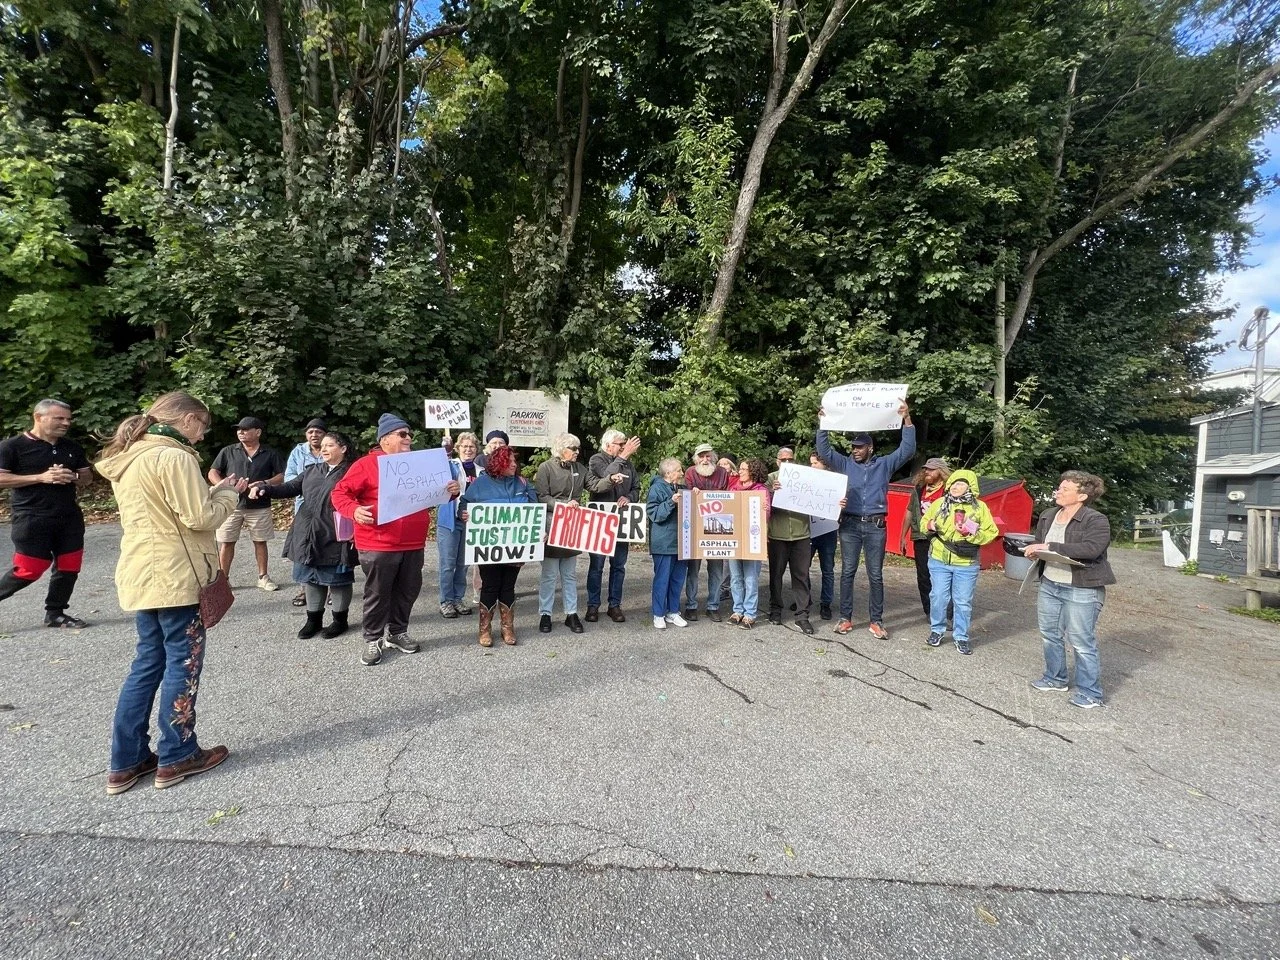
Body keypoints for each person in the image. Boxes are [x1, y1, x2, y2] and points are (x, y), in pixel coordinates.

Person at [96, 391, 246, 794]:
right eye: (202, 426)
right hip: (177, 576)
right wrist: (229, 493)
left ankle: (126, 761)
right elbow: (200, 518)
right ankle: (178, 754)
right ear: (188, 419)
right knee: (184, 662)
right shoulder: (174, 456)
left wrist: (214, 491)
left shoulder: (130, 456)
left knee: (146, 665)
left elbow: (169, 512)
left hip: (143, 574)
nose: (202, 436)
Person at [331, 413, 459, 667]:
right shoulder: (367, 464)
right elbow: (339, 493)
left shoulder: (418, 463)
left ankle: (397, 632)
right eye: (402, 434)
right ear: (385, 439)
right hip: (378, 542)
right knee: (378, 592)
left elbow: (434, 493)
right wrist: (353, 510)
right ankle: (373, 638)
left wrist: (451, 492)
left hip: (413, 542)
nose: (408, 437)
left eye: (409, 433)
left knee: (408, 590)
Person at [816, 401, 916, 639]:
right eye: (853, 447)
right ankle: (845, 618)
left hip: (875, 525)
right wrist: (822, 424)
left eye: (860, 447)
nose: (855, 451)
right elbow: (824, 451)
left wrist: (907, 419)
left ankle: (876, 621)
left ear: (870, 448)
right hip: (849, 524)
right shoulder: (844, 464)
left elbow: (907, 450)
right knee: (847, 572)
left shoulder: (884, 464)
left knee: (875, 575)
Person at [249, 432, 356, 639]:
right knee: (311, 577)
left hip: (336, 531)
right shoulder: (312, 470)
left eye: (330, 445)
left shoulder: (352, 471)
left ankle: (339, 621)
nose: (324, 449)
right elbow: (289, 487)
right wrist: (264, 488)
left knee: (338, 580)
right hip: (307, 530)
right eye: (322, 446)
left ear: (343, 449)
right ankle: (313, 620)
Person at [1025, 471, 1116, 709]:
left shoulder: (1096, 520)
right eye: (1060, 487)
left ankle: (1090, 693)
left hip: (1082, 588)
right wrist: (1034, 550)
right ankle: (1055, 678)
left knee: (1081, 641)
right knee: (1050, 634)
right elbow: (1040, 543)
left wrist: (1050, 546)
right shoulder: (1048, 515)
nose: (1059, 491)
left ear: (1082, 496)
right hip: (1050, 583)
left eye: (1065, 489)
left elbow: (1091, 549)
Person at [0, 399, 93, 628]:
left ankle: (55, 614)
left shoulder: (71, 447)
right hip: (32, 517)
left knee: (69, 566)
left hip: (69, 517)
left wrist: (74, 477)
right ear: (38, 417)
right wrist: (40, 477)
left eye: (68, 419)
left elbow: (87, 478)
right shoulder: (11, 446)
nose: (66, 423)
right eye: (59, 418)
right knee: (28, 569)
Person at [459, 445, 539, 646]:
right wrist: (464, 514)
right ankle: (484, 630)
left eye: (514, 461)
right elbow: (464, 503)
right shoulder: (480, 483)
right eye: (509, 461)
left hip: (515, 545)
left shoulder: (522, 483)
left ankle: (507, 627)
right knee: (490, 586)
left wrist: (539, 530)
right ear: (498, 463)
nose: (514, 464)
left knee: (508, 586)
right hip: (489, 546)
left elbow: (535, 510)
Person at [920, 469, 999, 655]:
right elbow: (923, 523)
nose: (956, 487)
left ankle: (961, 637)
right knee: (938, 597)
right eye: (953, 483)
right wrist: (929, 526)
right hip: (939, 559)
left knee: (962, 602)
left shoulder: (979, 507)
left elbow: (992, 532)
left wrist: (971, 533)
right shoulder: (940, 503)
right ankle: (937, 630)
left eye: (961, 484)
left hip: (966, 563)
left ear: (970, 487)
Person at [208, 417, 285, 590]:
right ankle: (223, 580)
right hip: (230, 505)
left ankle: (263, 577)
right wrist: (223, 485)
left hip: (260, 504)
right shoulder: (228, 451)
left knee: (260, 541)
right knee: (226, 541)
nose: (240, 432)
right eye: (238, 429)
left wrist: (265, 483)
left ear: (258, 432)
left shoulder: (269, 453)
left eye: (245, 429)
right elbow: (213, 472)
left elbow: (281, 475)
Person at [585, 429, 641, 622]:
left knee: (618, 566)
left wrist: (629, 497)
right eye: (620, 444)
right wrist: (623, 456)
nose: (624, 447)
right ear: (608, 445)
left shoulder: (629, 465)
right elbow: (606, 477)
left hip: (622, 521)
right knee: (597, 566)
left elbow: (636, 488)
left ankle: (614, 605)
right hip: (600, 521)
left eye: (625, 444)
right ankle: (593, 605)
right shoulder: (596, 460)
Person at [535, 432, 587, 634]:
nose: (577, 452)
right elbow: (542, 497)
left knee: (569, 574)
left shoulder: (579, 469)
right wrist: (563, 504)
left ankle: (571, 613)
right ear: (561, 449)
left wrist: (610, 479)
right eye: (573, 448)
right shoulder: (546, 467)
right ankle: (545, 614)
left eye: (577, 448)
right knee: (549, 575)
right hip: (551, 525)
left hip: (571, 526)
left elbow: (594, 484)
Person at [767, 447, 814, 635]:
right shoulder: (770, 479)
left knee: (801, 576)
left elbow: (820, 497)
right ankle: (775, 610)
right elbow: (760, 503)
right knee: (775, 575)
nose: (787, 463)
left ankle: (802, 616)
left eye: (790, 459)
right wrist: (771, 491)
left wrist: (837, 503)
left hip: (801, 534)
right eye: (783, 460)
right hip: (777, 535)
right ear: (777, 461)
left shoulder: (805, 477)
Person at [684, 443, 730, 622]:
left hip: (718, 528)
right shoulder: (690, 472)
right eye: (701, 456)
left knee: (717, 570)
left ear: (713, 457)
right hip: (695, 528)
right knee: (693, 570)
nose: (705, 459)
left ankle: (713, 606)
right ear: (696, 458)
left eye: (708, 455)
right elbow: (686, 497)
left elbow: (729, 497)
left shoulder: (722, 473)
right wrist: (692, 492)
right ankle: (691, 605)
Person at [284, 418, 328, 607]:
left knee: (326, 545)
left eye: (318, 432)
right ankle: (304, 588)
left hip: (328, 506)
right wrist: (310, 487)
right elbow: (289, 476)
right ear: (306, 434)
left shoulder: (331, 449)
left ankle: (329, 588)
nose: (314, 435)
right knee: (303, 546)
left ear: (325, 434)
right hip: (304, 504)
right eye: (310, 432)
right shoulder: (298, 452)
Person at [901, 457, 952, 618]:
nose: (927, 472)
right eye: (926, 469)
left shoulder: (949, 490)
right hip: (921, 537)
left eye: (931, 469)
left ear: (941, 472)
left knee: (943, 576)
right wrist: (903, 536)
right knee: (924, 576)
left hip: (942, 538)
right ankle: (930, 611)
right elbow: (909, 511)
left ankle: (947, 612)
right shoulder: (918, 489)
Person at [437, 431, 479, 619]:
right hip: (450, 521)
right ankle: (445, 601)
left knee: (463, 564)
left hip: (470, 522)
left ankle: (457, 598)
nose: (468, 449)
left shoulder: (480, 471)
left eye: (472, 446)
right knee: (448, 564)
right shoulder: (450, 464)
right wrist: (444, 450)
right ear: (458, 448)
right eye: (465, 446)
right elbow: (438, 471)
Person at [727, 458, 770, 629]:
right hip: (734, 539)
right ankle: (737, 610)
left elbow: (765, 517)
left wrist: (766, 509)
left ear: (753, 471)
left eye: (744, 469)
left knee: (750, 578)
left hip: (752, 541)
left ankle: (750, 613)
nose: (740, 471)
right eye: (740, 468)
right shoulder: (733, 488)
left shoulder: (761, 491)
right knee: (736, 577)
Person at [646, 457, 688, 630]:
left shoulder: (682, 488)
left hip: (682, 543)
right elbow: (654, 514)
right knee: (662, 580)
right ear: (669, 473)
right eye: (679, 470)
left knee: (677, 580)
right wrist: (671, 502)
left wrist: (696, 494)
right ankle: (658, 614)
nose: (682, 473)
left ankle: (673, 611)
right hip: (663, 543)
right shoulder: (656, 488)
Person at [808, 452, 838, 621]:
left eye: (815, 463)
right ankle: (805, 598)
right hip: (810, 529)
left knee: (827, 569)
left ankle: (826, 603)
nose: (812, 466)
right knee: (803, 567)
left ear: (825, 464)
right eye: (811, 463)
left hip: (828, 530)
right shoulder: (805, 480)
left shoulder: (835, 482)